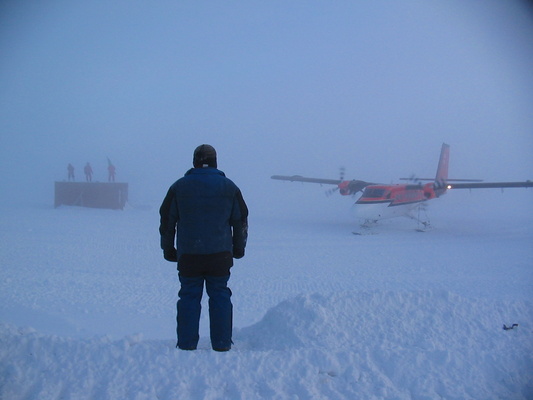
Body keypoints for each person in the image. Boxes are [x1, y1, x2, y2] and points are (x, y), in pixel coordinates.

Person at [159, 144, 248, 352]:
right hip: (220, 255)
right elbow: (240, 220)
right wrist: (238, 248)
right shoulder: (229, 187)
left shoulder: (179, 187)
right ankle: (222, 344)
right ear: (216, 162)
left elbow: (167, 220)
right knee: (220, 295)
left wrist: (168, 248)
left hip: (189, 255)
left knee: (189, 296)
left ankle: (187, 345)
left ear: (194, 162)